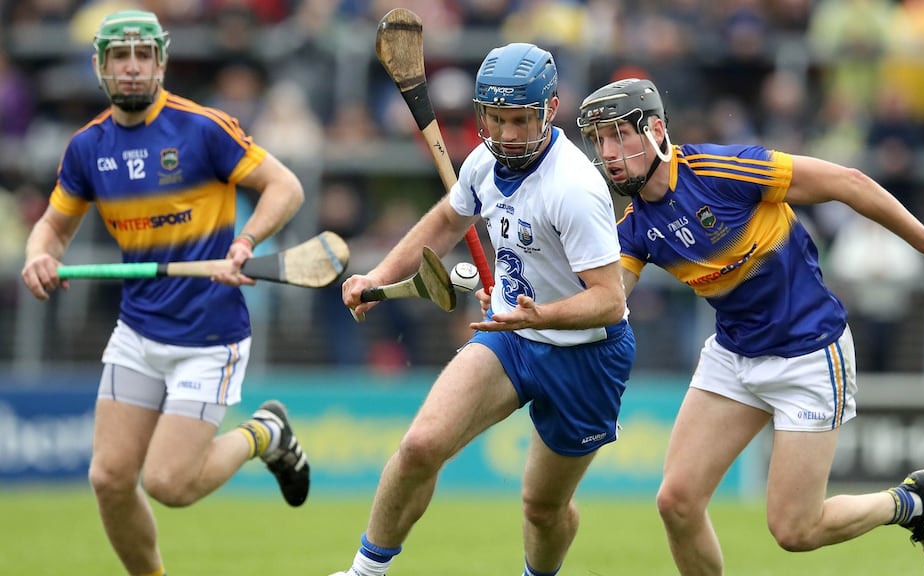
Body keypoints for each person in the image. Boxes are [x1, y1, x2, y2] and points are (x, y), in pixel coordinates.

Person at [576, 78, 924, 575]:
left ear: (656, 131)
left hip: (808, 352)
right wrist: (523, 304)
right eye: (599, 140)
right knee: (676, 501)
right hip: (733, 354)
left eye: (618, 136)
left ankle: (910, 503)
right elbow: (607, 301)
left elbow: (848, 182)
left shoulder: (723, 169)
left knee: (794, 531)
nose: (608, 153)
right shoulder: (635, 225)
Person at [20, 10, 310, 576]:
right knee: (109, 478)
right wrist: (39, 256)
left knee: (169, 484)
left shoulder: (203, 129)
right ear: (100, 65)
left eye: (143, 55)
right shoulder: (87, 148)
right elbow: (52, 228)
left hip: (209, 335)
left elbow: (286, 187)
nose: (132, 67)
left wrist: (244, 242)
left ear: (161, 62)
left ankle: (266, 432)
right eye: (119, 56)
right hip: (138, 331)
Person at [335, 43, 634, 576]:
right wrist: (379, 275)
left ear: (550, 109)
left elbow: (610, 301)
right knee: (421, 446)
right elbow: (445, 223)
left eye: (520, 120)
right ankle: (365, 572)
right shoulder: (483, 162)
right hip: (509, 337)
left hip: (586, 355)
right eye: (496, 119)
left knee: (542, 509)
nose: (507, 134)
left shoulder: (574, 188)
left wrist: (540, 316)